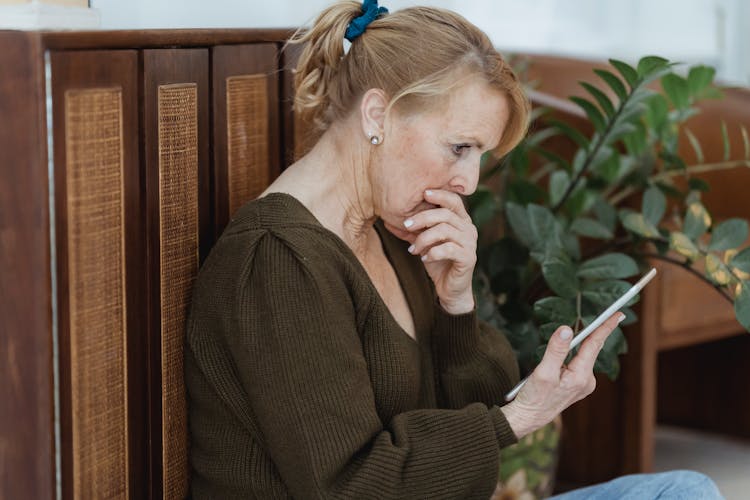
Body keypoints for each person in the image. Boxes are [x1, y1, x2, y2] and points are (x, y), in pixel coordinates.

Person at [184, 1, 723, 498]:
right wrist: (519, 417)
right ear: (378, 115)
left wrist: (456, 303)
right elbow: (352, 484)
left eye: (479, 155)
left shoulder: (393, 229)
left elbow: (479, 414)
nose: (468, 180)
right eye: (460, 147)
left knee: (683, 490)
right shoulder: (279, 260)